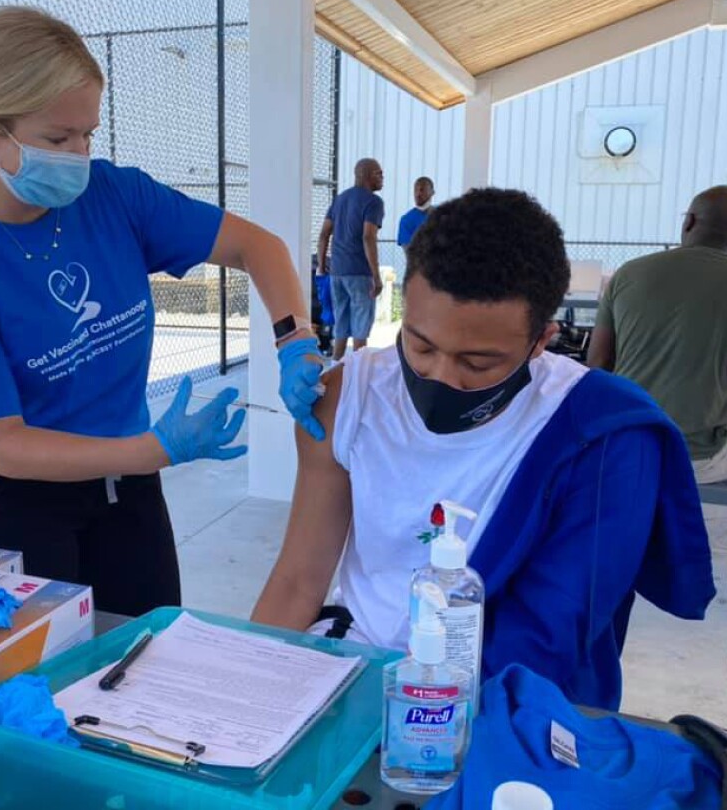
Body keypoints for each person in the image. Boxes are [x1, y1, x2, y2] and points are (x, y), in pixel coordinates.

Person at [0, 7, 324, 618]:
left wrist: (296, 341)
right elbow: (4, 445)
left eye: (88, 134)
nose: (78, 154)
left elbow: (259, 248)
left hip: (121, 475)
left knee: (149, 652)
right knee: (38, 683)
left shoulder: (113, 196)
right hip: (4, 493)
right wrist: (158, 449)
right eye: (57, 138)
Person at [253, 188, 715, 710]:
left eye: (477, 364)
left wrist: (421, 710)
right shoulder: (345, 398)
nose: (440, 377)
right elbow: (298, 582)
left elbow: (551, 638)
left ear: (542, 339)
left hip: (500, 698)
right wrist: (240, 697)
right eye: (420, 344)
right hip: (358, 667)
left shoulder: (601, 435)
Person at [588, 185, 727, 484]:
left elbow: (597, 362)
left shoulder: (628, 273)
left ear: (689, 221)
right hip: (704, 459)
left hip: (627, 441)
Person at [317, 158, 384, 361]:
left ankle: (335, 371)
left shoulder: (339, 200)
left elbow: (323, 234)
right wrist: (376, 276)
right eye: (379, 173)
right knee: (360, 331)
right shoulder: (374, 202)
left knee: (341, 327)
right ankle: (356, 377)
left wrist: (321, 267)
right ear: (367, 175)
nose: (382, 178)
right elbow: (368, 236)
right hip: (360, 273)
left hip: (337, 273)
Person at [397, 176, 434, 246]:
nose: (418, 194)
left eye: (422, 190)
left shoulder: (442, 216)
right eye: (415, 190)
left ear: (432, 192)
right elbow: (408, 251)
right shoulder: (406, 220)